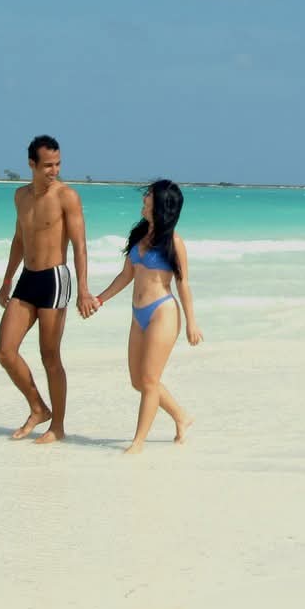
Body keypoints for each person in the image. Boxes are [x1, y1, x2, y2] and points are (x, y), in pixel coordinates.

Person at [0, 135, 98, 444]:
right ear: (32, 164)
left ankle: (58, 426)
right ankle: (39, 408)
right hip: (27, 278)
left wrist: (83, 290)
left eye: (58, 164)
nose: (54, 171)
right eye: (48, 165)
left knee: (50, 356)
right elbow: (19, 239)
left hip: (55, 279)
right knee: (5, 351)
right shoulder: (20, 196)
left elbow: (80, 245)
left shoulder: (67, 196)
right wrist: (7, 279)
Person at [92, 179, 201, 454]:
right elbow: (125, 276)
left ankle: (138, 442)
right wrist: (100, 299)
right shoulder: (139, 235)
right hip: (137, 314)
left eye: (149, 195)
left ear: (160, 203)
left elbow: (183, 283)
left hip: (162, 312)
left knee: (150, 380)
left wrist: (191, 322)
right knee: (138, 381)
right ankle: (181, 417)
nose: (144, 198)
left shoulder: (174, 242)